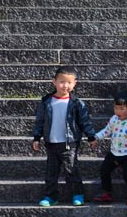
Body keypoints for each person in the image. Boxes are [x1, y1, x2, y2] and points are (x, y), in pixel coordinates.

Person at [32, 65, 97, 207]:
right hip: (51, 142)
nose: (65, 85)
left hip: (70, 142)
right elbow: (40, 121)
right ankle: (51, 196)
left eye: (69, 82)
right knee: (51, 172)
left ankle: (77, 194)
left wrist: (91, 136)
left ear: (74, 83)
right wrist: (36, 137)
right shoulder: (47, 101)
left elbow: (84, 121)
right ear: (54, 82)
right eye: (61, 82)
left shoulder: (76, 103)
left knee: (71, 169)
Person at [91, 90, 127, 206]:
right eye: (116, 108)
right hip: (114, 153)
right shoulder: (114, 119)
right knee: (104, 170)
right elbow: (107, 130)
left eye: (121, 109)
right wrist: (96, 137)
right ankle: (107, 192)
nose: (117, 111)